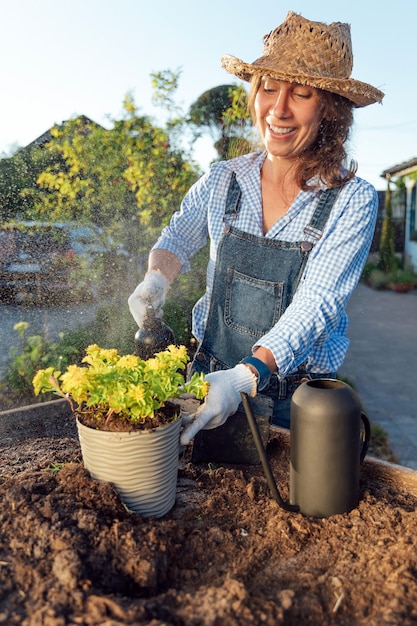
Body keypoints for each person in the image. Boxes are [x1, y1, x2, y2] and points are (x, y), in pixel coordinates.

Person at [128, 11, 384, 447]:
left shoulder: (351, 199)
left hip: (296, 402)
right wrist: (156, 278)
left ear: (329, 110)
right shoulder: (222, 179)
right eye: (268, 88)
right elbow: (177, 237)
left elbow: (318, 301)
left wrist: (250, 374)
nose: (278, 109)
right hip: (207, 386)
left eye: (301, 94)